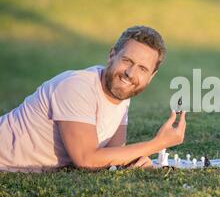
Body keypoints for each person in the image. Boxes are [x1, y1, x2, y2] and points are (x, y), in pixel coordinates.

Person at [0, 25, 186, 172]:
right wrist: (157, 144)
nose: (130, 73)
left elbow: (112, 154)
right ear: (112, 55)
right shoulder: (77, 87)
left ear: (151, 76)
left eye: (142, 69)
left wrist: (133, 160)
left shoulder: (121, 97)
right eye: (127, 61)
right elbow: (86, 160)